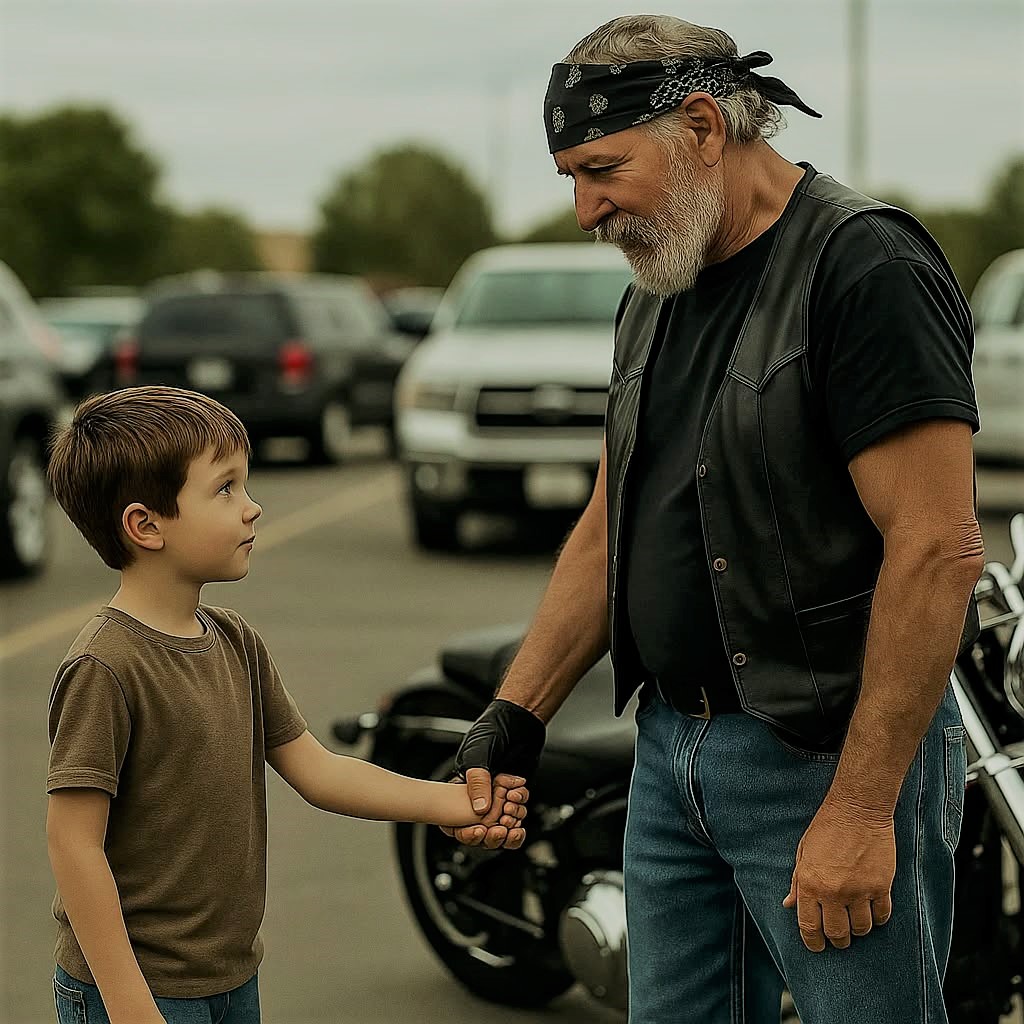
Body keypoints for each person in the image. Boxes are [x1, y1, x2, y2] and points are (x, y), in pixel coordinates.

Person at [448, 14, 984, 1023]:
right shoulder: (657, 287)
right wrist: (515, 713)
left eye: (602, 169)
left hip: (825, 761)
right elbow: (612, 521)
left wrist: (861, 807)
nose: (584, 210)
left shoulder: (863, 266)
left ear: (702, 126)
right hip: (667, 753)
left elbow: (937, 547)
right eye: (569, 177)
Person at [44, 385, 528, 1024]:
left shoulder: (235, 642)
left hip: (230, 977)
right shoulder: (105, 666)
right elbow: (74, 845)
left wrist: (456, 803)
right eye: (225, 489)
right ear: (146, 525)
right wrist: (129, 1005)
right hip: (134, 992)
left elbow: (319, 771)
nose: (252, 507)